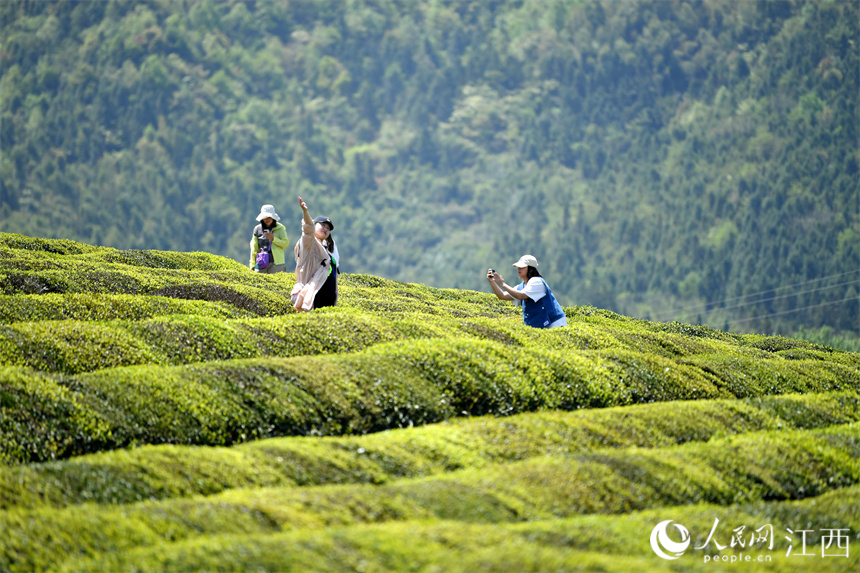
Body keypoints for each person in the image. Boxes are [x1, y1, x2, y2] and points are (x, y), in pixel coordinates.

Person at [487, 255, 567, 328]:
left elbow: (521, 295)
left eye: (522, 267)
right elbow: (502, 296)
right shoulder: (521, 286)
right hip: (543, 324)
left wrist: (503, 284)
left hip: (555, 323)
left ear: (531, 270)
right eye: (518, 267)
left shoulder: (537, 281)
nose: (519, 269)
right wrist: (492, 282)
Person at [291, 196, 339, 311]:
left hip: (328, 299)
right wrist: (305, 212)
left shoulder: (325, 248)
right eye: (322, 225)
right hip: (314, 298)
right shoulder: (309, 243)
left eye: (328, 228)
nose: (325, 229)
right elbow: (308, 229)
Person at [249, 204, 289, 273]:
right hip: (261, 262)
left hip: (277, 264)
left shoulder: (280, 228)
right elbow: (254, 248)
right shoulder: (257, 229)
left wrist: (273, 239)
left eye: (269, 217)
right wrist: (252, 264)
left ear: (273, 218)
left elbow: (286, 244)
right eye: (265, 217)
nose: (267, 220)